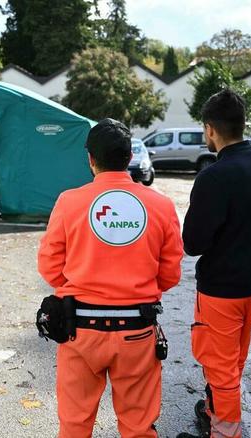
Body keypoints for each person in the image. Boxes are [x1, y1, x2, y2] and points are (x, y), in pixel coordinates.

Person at [37, 118, 183, 438]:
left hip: (80, 331)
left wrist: (79, 283)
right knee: (138, 428)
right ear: (130, 157)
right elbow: (171, 273)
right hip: (137, 332)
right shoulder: (160, 205)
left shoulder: (69, 202)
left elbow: (49, 266)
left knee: (74, 426)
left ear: (90, 159)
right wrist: (136, 289)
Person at [176, 90, 251, 438]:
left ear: (210, 129)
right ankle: (215, 409)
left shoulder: (214, 176)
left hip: (223, 289)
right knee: (235, 355)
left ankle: (225, 432)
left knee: (220, 363)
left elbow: (193, 244)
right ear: (242, 125)